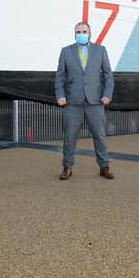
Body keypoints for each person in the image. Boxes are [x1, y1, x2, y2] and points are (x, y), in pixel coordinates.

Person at [55, 22, 115, 180]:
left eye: (84, 31)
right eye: (78, 31)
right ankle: (67, 166)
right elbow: (60, 77)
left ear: (90, 33)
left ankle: (104, 166)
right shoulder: (66, 52)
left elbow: (108, 75)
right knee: (69, 136)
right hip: (72, 102)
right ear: (74, 34)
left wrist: (107, 94)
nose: (81, 33)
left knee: (100, 136)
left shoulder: (100, 50)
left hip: (95, 101)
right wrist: (60, 95)